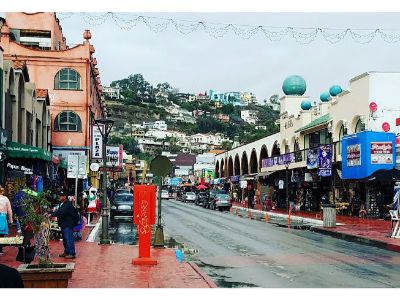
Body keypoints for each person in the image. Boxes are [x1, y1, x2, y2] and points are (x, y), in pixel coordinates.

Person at [51, 191, 76, 259]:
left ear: (64, 197)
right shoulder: (63, 204)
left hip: (68, 224)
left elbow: (61, 212)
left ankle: (72, 253)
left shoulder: (67, 204)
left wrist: (51, 214)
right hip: (64, 224)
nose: (59, 197)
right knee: (65, 239)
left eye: (60, 196)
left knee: (69, 238)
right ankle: (67, 252)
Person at [0, 186, 13, 255]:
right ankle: (0, 249)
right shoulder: (5, 199)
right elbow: (9, 211)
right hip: (2, 217)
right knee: (1, 234)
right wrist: (11, 221)